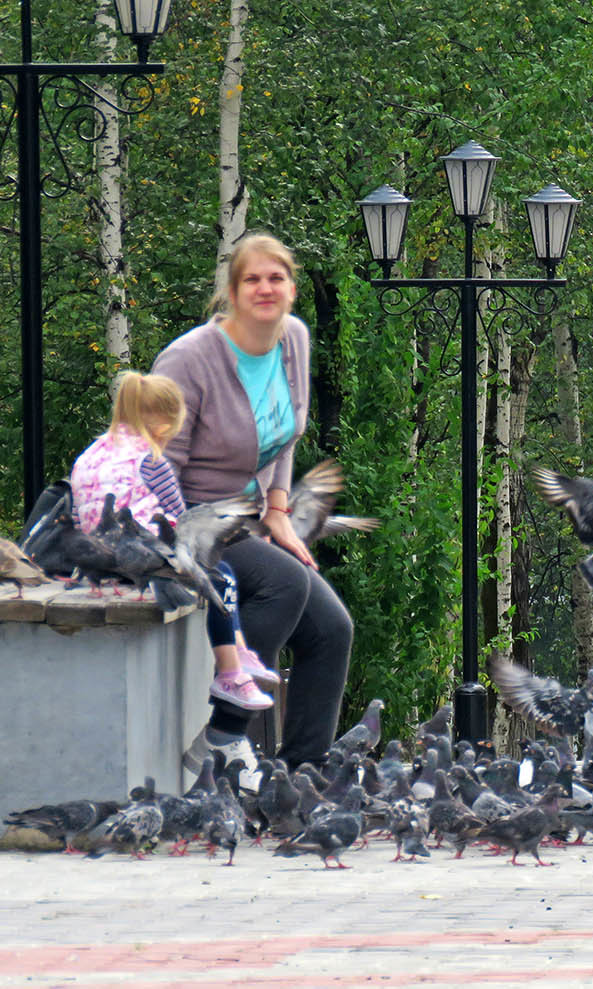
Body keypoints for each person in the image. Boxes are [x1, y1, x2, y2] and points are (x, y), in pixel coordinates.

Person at [152, 233, 354, 786]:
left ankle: (300, 779)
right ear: (233, 292)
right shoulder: (191, 359)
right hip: (183, 517)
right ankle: (223, 733)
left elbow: (286, 438)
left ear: (291, 288)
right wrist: (195, 538)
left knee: (331, 629)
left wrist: (279, 512)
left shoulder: (293, 339)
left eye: (276, 278)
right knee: (283, 584)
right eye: (252, 279)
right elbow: (156, 461)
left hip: (244, 515)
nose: (265, 289)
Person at [68, 371, 278, 713]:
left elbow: (79, 521)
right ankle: (230, 671)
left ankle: (240, 652)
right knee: (219, 576)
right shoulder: (151, 462)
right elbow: (182, 523)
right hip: (144, 560)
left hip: (102, 565)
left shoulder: (86, 458)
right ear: (164, 426)